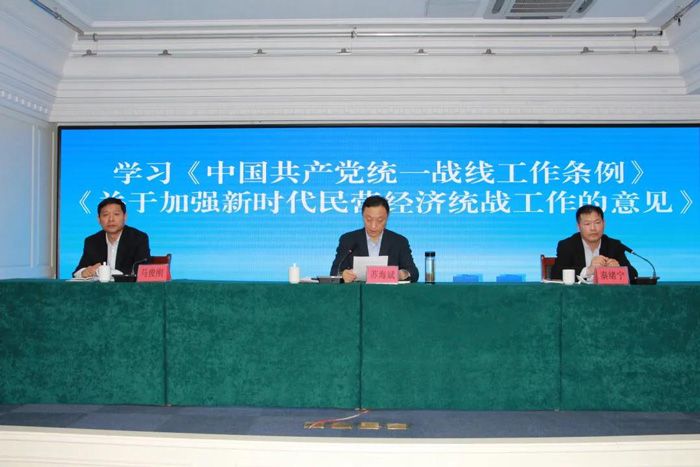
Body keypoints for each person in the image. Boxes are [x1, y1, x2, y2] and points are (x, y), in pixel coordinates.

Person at [331, 195, 419, 283]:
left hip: (389, 291)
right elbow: (334, 271)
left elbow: (414, 273)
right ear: (362, 216)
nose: (373, 226)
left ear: (387, 217)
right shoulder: (348, 240)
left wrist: (402, 274)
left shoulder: (399, 241)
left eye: (380, 220)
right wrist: (342, 274)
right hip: (357, 291)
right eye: (369, 219)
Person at [551, 204, 637, 281]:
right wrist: (588, 270)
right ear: (578, 227)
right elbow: (556, 274)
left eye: (597, 222)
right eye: (587, 224)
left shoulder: (614, 245)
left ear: (604, 223)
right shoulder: (567, 245)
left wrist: (619, 269)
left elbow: (633, 275)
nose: (593, 228)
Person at [73, 197, 150, 278]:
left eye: (116, 214)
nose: (111, 219)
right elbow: (78, 271)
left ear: (125, 217)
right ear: (99, 219)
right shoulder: (92, 241)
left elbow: (141, 271)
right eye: (105, 215)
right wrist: (84, 272)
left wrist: (106, 272)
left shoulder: (138, 238)